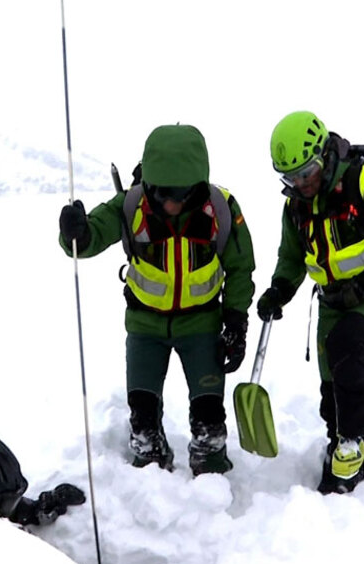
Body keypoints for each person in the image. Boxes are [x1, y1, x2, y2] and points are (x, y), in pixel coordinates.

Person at [58, 124, 255, 475]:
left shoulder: (221, 209)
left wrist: (236, 322)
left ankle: (210, 472)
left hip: (202, 324)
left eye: (180, 196)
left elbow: (240, 267)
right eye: (162, 194)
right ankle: (151, 470)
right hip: (145, 325)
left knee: (210, 421)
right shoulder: (131, 204)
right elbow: (86, 241)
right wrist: (75, 232)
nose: (170, 203)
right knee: (142, 422)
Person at [256, 111, 364, 494]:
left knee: (348, 344)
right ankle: (341, 451)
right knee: (331, 383)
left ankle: (355, 438)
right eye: (291, 178)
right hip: (333, 298)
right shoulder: (296, 205)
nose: (301, 184)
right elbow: (292, 257)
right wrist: (279, 290)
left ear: (325, 156)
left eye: (307, 172)